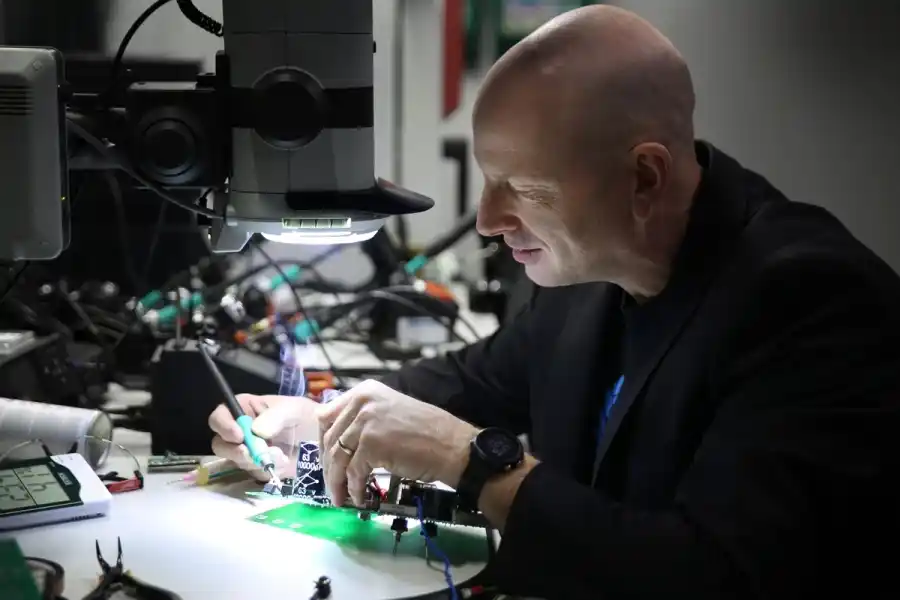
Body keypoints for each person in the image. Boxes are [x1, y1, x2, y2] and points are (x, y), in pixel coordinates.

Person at [208, 5, 900, 599]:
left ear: (644, 177)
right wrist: (325, 419)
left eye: (523, 188)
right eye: (487, 181)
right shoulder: (589, 273)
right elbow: (477, 380)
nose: (485, 219)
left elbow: (713, 575)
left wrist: (473, 461)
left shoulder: (810, 300)